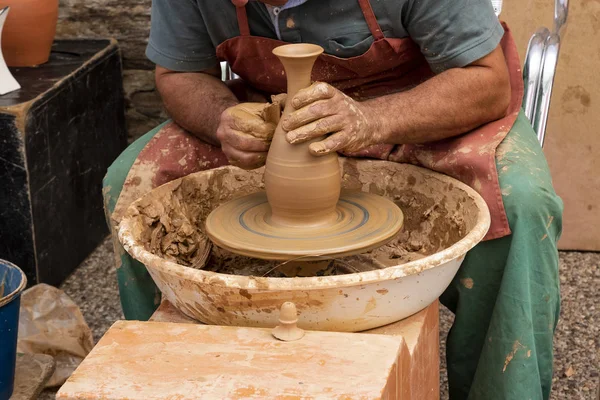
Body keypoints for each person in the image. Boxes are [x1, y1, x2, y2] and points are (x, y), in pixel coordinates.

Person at [102, 0, 563, 398]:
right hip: (277, 118)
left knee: (519, 202)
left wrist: (372, 120)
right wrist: (224, 118)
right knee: (136, 187)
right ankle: (178, 377)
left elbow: (485, 79)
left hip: (421, 105)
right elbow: (179, 72)